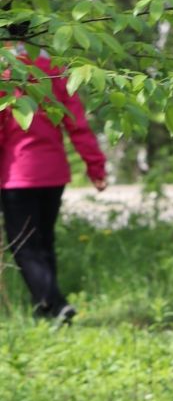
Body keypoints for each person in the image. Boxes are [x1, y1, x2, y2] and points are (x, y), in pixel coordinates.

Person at [0, 41, 107, 324]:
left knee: (24, 246)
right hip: (53, 172)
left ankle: (56, 303)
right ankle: (45, 309)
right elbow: (77, 123)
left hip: (16, 175)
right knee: (44, 242)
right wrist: (95, 165)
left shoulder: (4, 71)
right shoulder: (54, 70)